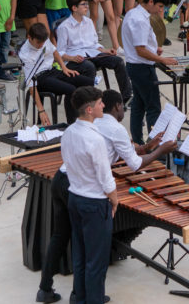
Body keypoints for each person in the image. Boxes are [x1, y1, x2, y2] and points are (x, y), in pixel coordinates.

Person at [37, 88, 175, 303]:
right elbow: (128, 165)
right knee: (94, 257)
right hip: (89, 194)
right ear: (117, 106)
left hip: (65, 181)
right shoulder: (110, 129)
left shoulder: (76, 128)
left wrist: (147, 146)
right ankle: (89, 297)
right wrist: (160, 151)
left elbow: (124, 149)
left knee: (65, 239)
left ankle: (50, 290)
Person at [60, 86, 117, 304]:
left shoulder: (69, 133)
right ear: (90, 109)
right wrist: (115, 199)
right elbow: (104, 177)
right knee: (96, 261)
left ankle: (80, 298)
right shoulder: (95, 140)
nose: (104, 105)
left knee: (81, 255)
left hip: (75, 198)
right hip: (94, 203)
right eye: (101, 103)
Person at [120, 0, 178, 143]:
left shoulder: (133, 13)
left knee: (138, 105)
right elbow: (140, 50)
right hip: (142, 67)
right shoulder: (140, 20)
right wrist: (162, 59)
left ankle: (138, 142)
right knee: (153, 108)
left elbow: (142, 45)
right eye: (159, 6)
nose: (160, 11)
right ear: (150, 2)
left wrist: (154, 48)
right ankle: (154, 146)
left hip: (135, 66)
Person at [57, 0, 132, 103]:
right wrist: (72, 58)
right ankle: (91, 101)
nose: (87, 7)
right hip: (75, 59)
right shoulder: (64, 27)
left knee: (118, 61)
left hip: (92, 54)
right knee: (89, 67)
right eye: (84, 4)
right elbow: (60, 53)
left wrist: (105, 50)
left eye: (87, 4)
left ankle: (127, 97)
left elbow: (94, 44)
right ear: (74, 8)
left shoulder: (89, 22)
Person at [19, 22, 94, 123]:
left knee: (87, 81)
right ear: (29, 37)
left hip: (52, 71)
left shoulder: (43, 38)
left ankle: (85, 114)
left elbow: (54, 51)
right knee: (71, 89)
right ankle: (72, 123)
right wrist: (41, 110)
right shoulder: (25, 54)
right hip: (40, 78)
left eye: (43, 42)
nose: (41, 45)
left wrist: (64, 68)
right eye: (38, 43)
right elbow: (32, 86)